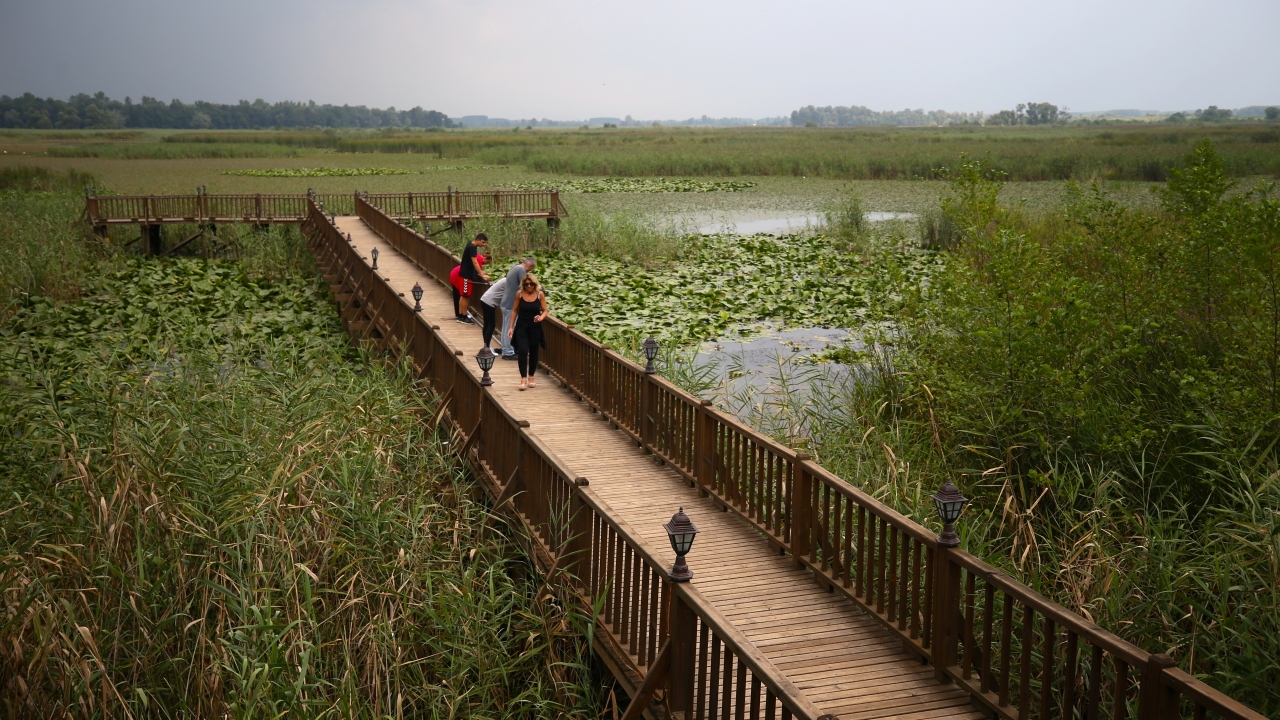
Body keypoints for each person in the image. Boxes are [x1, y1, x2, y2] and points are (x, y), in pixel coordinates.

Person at [506, 273, 548, 390]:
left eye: (531, 284)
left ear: (535, 284)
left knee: (534, 351)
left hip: (535, 327)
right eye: (526, 284)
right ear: (523, 285)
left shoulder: (540, 295)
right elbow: (514, 311)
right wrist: (510, 327)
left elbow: (545, 311)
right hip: (522, 326)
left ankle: (531, 376)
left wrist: (540, 317)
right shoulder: (519, 294)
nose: (529, 286)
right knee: (523, 351)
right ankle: (523, 378)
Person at [498, 257, 536, 359]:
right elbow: (524, 285)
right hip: (510, 304)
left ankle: (506, 349)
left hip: (505, 302)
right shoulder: (521, 270)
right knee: (509, 328)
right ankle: (508, 352)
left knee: (505, 327)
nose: (529, 271)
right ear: (530, 265)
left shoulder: (514, 267)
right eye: (530, 269)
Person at [455, 233, 490, 323]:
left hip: (465, 274)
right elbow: (475, 262)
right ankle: (463, 316)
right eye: (483, 242)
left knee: (464, 296)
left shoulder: (470, 245)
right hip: (466, 275)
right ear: (478, 239)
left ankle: (461, 315)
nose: (484, 244)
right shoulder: (472, 248)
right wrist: (481, 274)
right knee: (465, 296)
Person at [478, 275, 507, 351]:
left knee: (487, 324)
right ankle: (487, 347)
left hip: (484, 300)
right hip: (489, 303)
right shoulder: (508, 282)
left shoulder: (504, 280)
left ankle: (486, 346)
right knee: (491, 325)